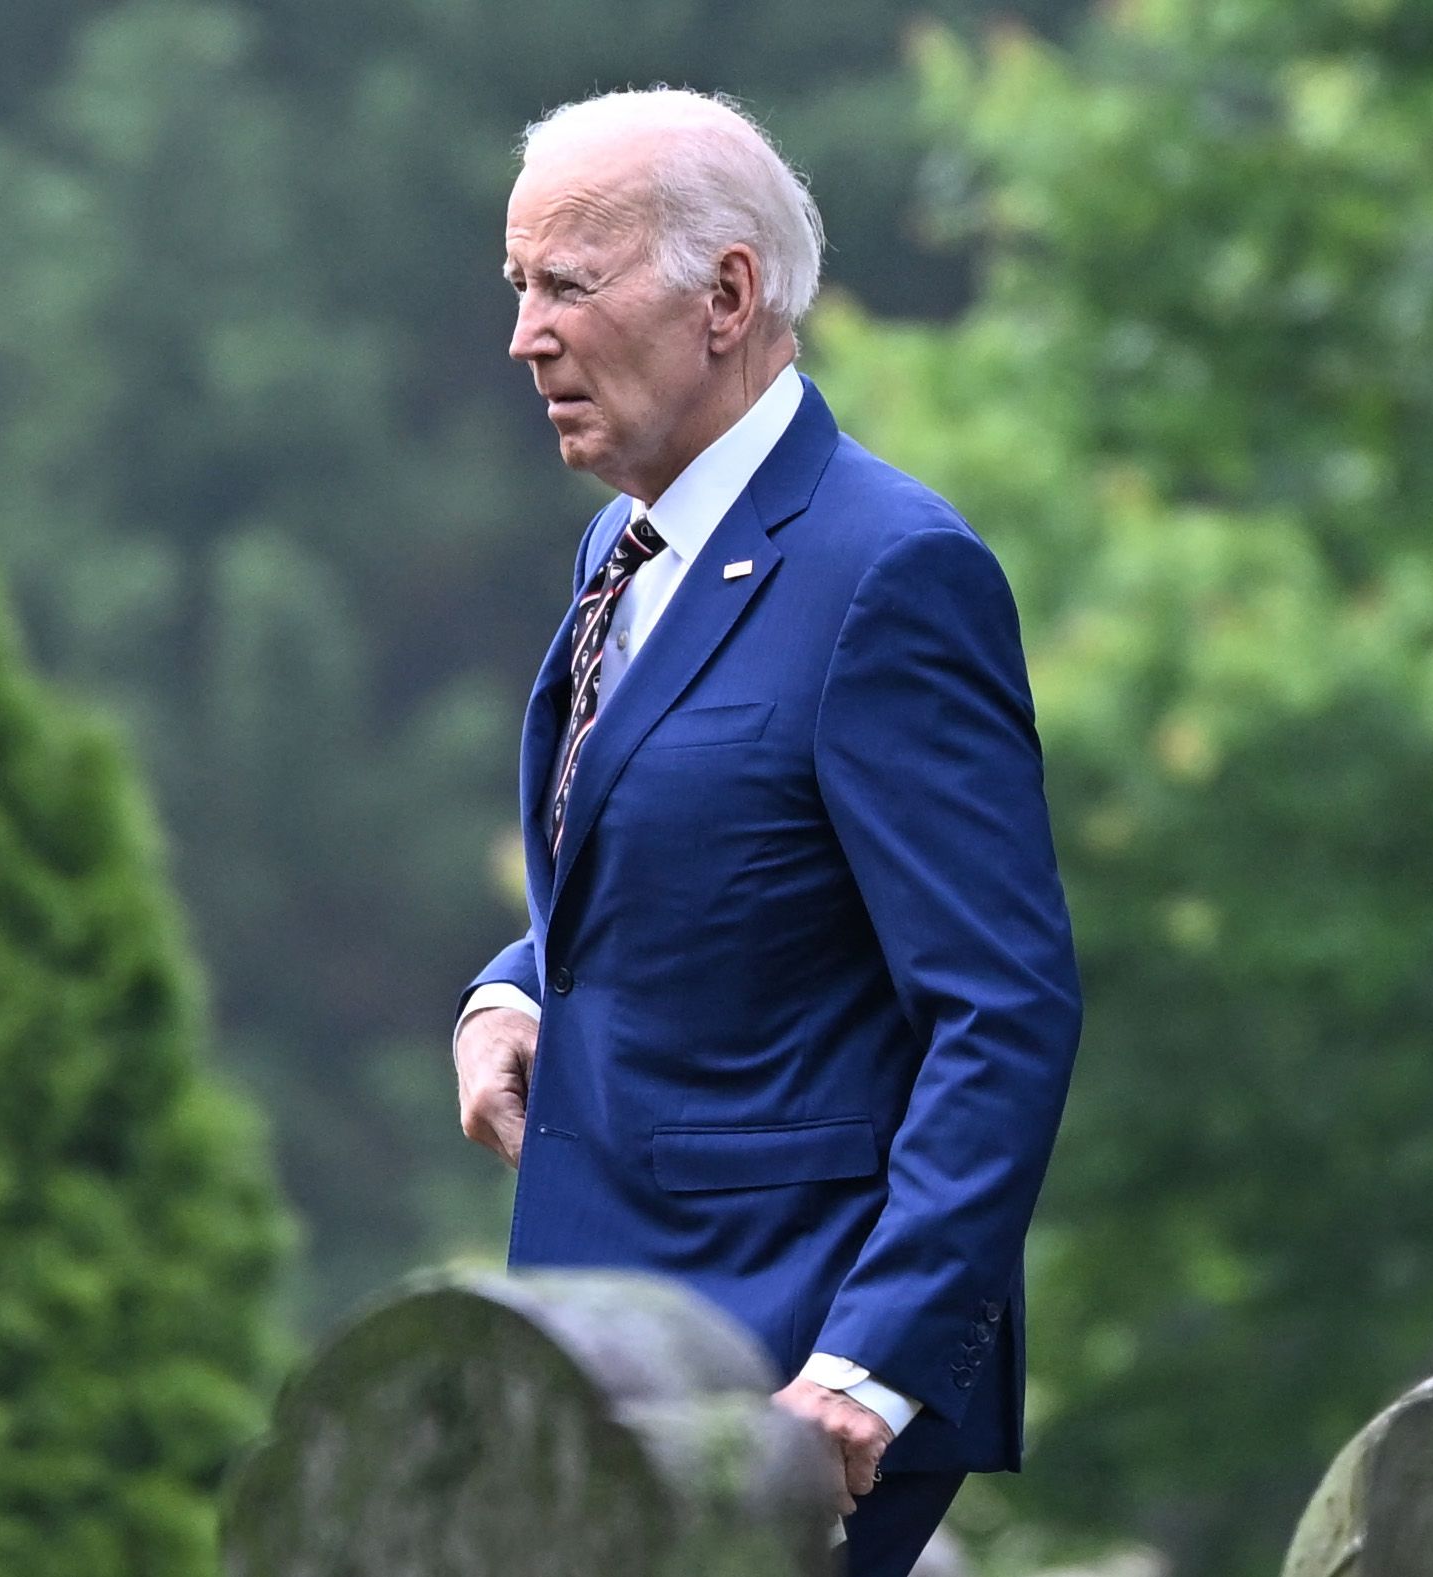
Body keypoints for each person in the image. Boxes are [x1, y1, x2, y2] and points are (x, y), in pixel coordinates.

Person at [454, 86, 1081, 1577]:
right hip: (619, 1360)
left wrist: (871, 1363)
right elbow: (694, 848)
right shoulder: (626, 536)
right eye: (518, 287)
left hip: (794, 1376)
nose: (524, 336)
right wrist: (519, 983)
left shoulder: (894, 572)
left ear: (725, 294)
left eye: (567, 285)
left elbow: (1001, 1007)